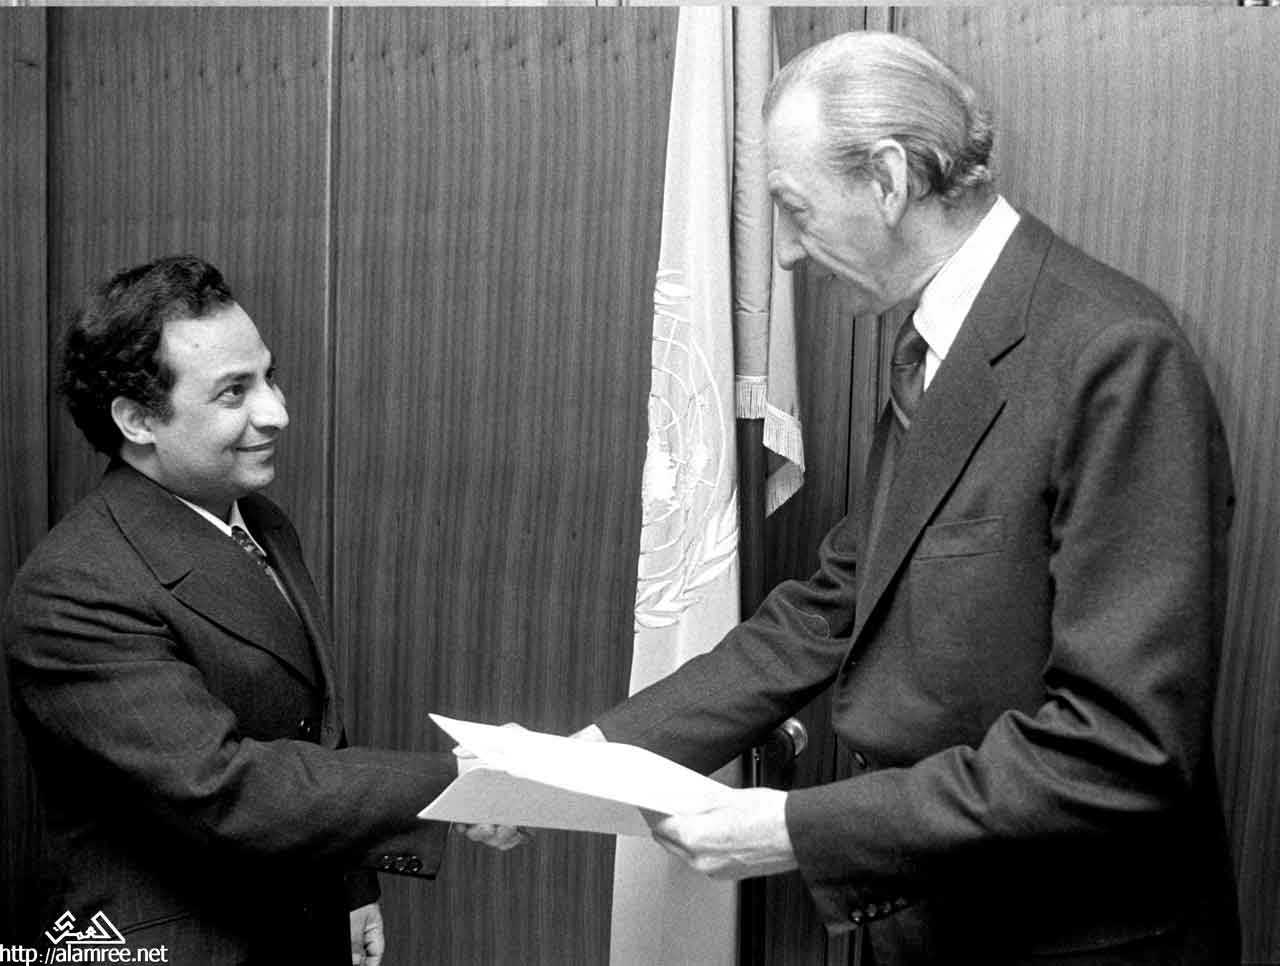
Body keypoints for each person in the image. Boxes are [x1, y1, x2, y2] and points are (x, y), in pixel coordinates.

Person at [471, 31, 1240, 965]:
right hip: (933, 921)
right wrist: (588, 762)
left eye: (796, 210)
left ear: (887, 179)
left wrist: (801, 830)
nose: (787, 253)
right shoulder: (940, 343)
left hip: (1068, 938)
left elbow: (1124, 748)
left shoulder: (1115, 354)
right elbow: (832, 608)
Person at [3, 255, 457, 966]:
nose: (276, 412)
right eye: (233, 392)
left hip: (298, 923)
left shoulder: (261, 520)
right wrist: (461, 785)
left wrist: (352, 886)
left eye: (269, 377)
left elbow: (311, 724)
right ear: (138, 419)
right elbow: (222, 789)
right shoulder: (74, 589)